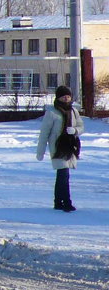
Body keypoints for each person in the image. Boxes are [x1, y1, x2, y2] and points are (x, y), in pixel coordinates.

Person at [37, 84, 84, 212]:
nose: (66, 99)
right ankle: (67, 202)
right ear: (58, 98)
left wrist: (74, 130)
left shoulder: (74, 111)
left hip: (70, 146)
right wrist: (40, 152)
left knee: (62, 175)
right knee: (64, 173)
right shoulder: (52, 112)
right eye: (63, 97)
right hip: (58, 147)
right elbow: (44, 133)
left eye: (68, 97)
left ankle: (58, 202)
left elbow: (81, 127)